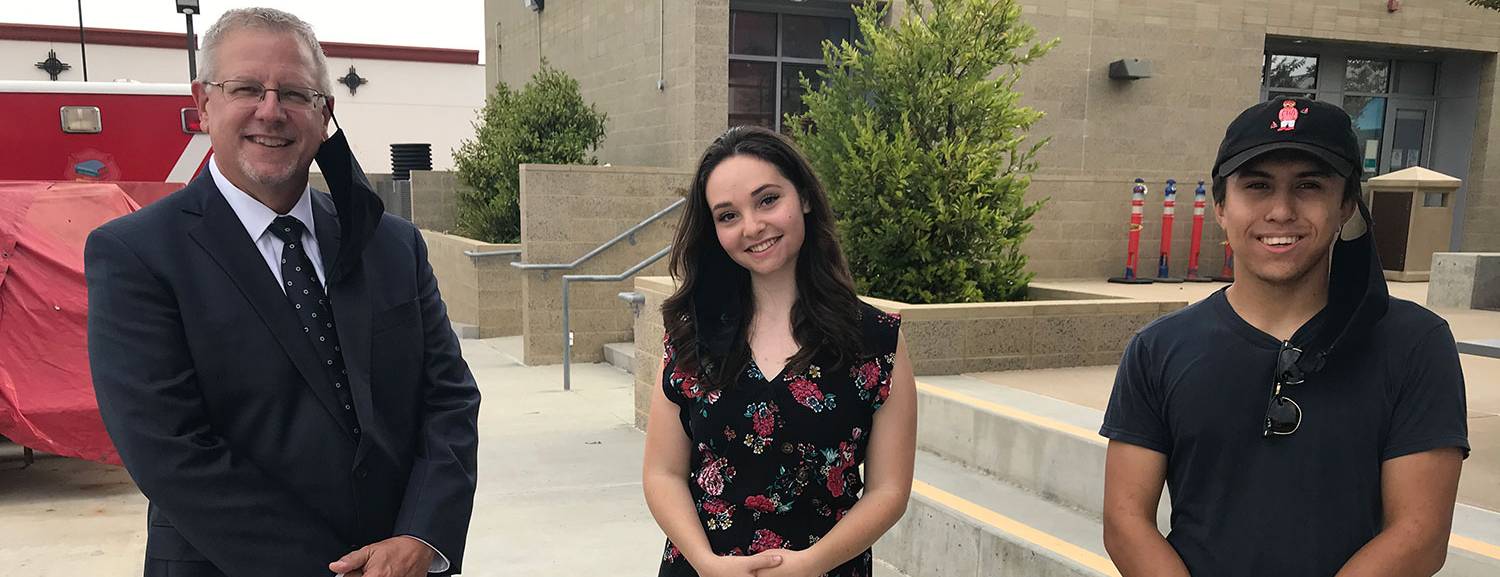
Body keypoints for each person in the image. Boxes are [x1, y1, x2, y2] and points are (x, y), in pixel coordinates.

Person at [85, 8, 480, 577]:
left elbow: (449, 399)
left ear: (325, 113)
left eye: (295, 92)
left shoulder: (390, 244)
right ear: (203, 103)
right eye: (246, 88)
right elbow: (170, 451)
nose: (271, 111)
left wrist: (424, 532)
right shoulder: (137, 256)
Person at [1099, 98, 1469, 577]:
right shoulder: (1159, 349)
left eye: (1309, 186)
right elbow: (1125, 521)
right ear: (1220, 207)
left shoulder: (1415, 345)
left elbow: (1419, 534)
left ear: (1346, 206)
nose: (1280, 211)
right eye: (1257, 186)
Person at [642, 126, 917, 577]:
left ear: (804, 197)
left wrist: (810, 565)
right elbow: (662, 473)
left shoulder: (874, 339)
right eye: (728, 216)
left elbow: (888, 490)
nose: (752, 226)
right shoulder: (692, 334)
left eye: (767, 200)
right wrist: (708, 564)